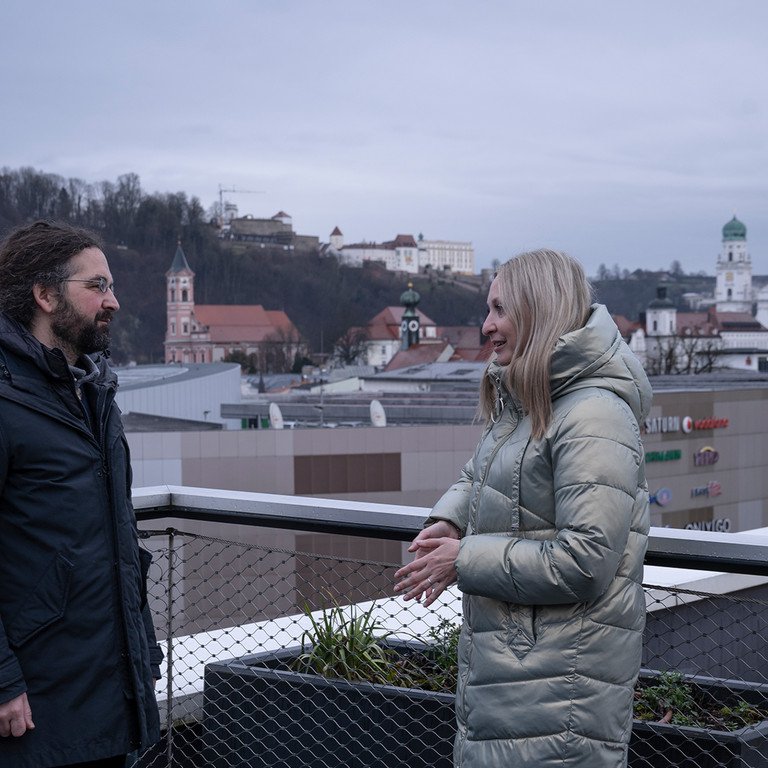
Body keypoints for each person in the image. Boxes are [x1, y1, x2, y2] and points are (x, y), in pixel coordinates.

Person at [395, 249, 652, 768]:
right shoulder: (534, 395)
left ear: (539, 310)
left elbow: (585, 559)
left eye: (499, 310)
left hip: (562, 693)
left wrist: (461, 558)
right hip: (521, 677)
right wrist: (450, 519)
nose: (486, 326)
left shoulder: (594, 413)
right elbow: (486, 475)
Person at [0, 221, 162, 768]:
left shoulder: (94, 390)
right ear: (44, 296)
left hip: (108, 689)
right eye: (97, 286)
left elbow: (117, 537)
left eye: (111, 285)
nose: (112, 301)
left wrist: (143, 650)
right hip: (36, 701)